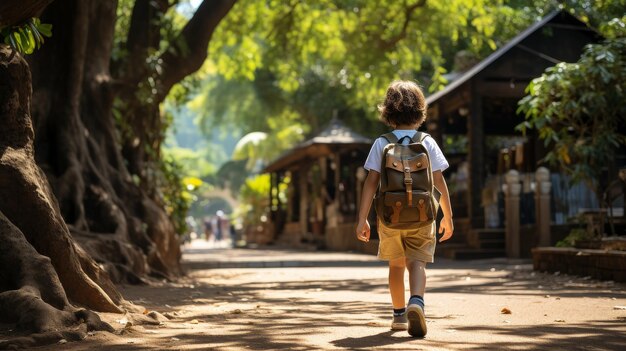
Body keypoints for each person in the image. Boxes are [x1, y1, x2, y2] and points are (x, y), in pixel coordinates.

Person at [355, 80, 454, 337]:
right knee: (417, 263)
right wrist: (448, 216)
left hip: (389, 217)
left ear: (388, 111)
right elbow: (439, 181)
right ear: (420, 110)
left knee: (396, 266)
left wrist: (362, 219)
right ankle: (417, 302)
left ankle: (399, 315)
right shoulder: (427, 142)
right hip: (424, 215)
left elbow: (371, 183)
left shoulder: (381, 142)